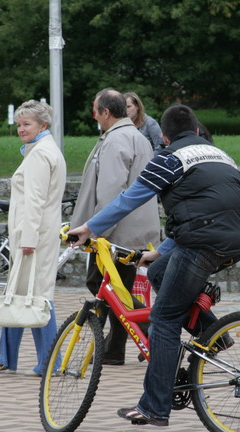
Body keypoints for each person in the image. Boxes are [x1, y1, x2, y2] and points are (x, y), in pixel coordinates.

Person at [69, 104, 240, 426]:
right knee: (157, 272)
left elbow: (130, 199)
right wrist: (160, 251)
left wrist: (89, 227)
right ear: (196, 131)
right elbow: (202, 208)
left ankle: (154, 406)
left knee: (164, 319)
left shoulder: (169, 158)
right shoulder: (219, 155)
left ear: (164, 137)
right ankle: (213, 334)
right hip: (238, 238)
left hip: (201, 241)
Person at [71, 88, 160, 366]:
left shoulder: (116, 139)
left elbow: (111, 191)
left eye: (95, 110)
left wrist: (95, 232)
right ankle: (114, 348)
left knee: (102, 285)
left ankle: (154, 335)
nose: (93, 114)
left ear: (106, 113)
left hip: (116, 233)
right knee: (117, 288)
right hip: (134, 229)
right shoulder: (135, 135)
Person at [0, 100, 67, 376]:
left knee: (37, 296)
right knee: (19, 293)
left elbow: (35, 201)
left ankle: (49, 361)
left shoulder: (41, 154)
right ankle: (7, 357)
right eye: (19, 124)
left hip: (34, 236)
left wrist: (28, 239)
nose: (21, 129)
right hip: (32, 234)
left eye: (27, 124)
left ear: (43, 125)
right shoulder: (41, 150)